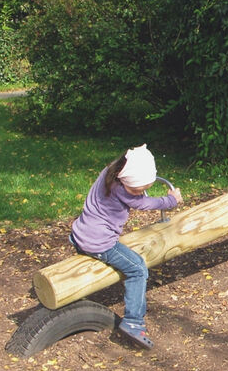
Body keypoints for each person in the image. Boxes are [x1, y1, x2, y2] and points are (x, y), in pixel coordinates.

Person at [69, 144, 182, 349]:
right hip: (99, 243)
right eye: (137, 190)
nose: (139, 193)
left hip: (80, 232)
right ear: (126, 180)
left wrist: (140, 188)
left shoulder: (111, 172)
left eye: (143, 189)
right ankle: (133, 322)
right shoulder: (122, 189)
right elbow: (144, 204)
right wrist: (170, 200)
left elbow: (138, 193)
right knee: (137, 269)